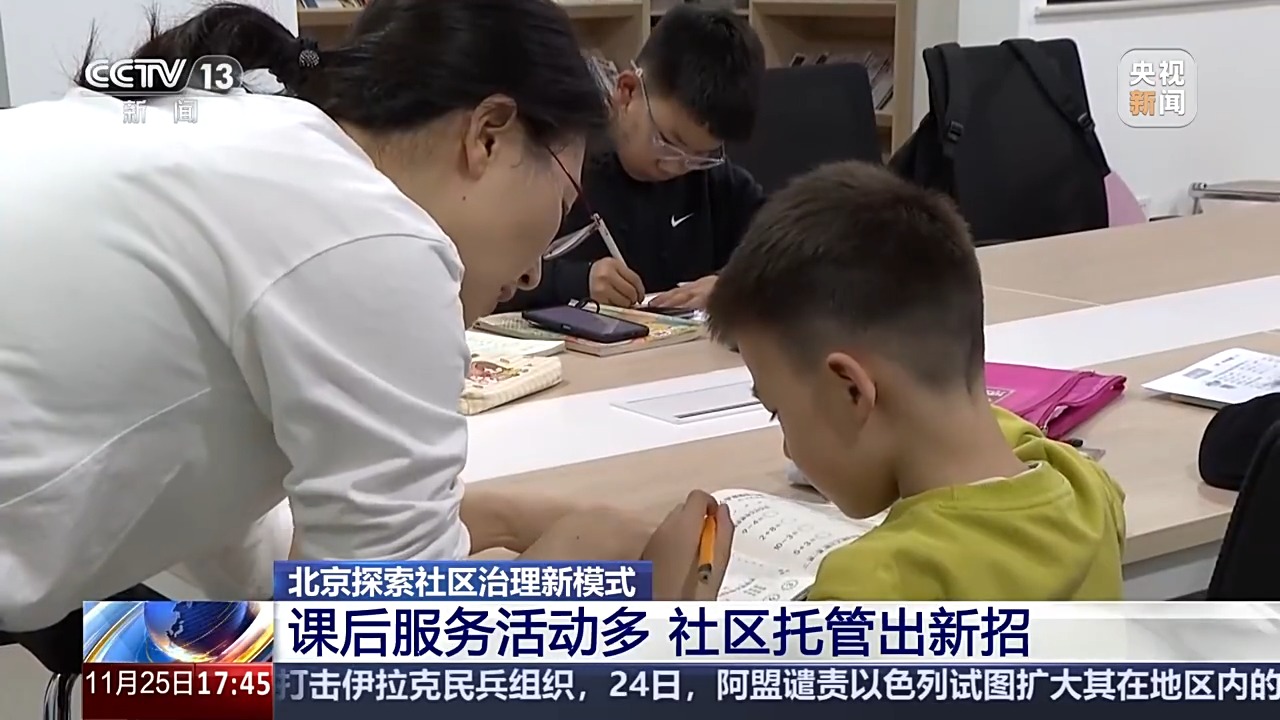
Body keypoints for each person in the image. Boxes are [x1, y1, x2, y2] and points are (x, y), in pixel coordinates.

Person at [0, 0, 695, 646]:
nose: (537, 272)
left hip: (58, 590)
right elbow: (378, 659)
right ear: (488, 135)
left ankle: (98, 689)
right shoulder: (369, 235)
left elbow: (250, 556)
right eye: (564, 204)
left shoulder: (249, 143)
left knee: (170, 653)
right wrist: (585, 574)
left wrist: (506, 520)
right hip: (41, 598)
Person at [695, 161, 1126, 600]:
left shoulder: (871, 586)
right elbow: (1006, 433)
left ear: (851, 390)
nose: (789, 450)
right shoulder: (1088, 492)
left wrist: (684, 602)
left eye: (778, 412)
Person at [500, 4, 766, 313]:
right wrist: (577, 280)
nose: (678, 165)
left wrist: (732, 285)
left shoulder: (716, 185)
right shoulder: (559, 166)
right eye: (669, 143)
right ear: (627, 93)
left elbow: (792, 256)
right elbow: (484, 273)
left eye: (701, 156)